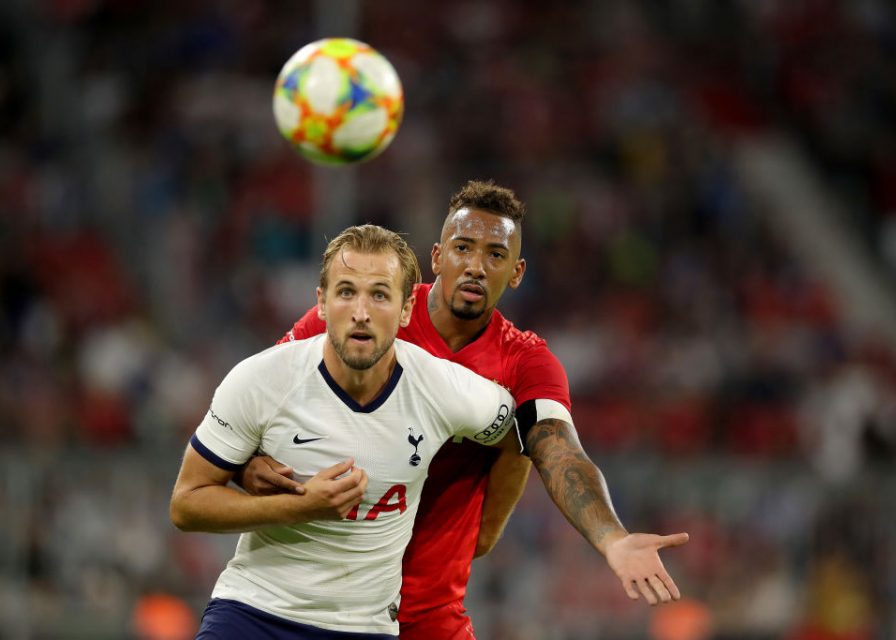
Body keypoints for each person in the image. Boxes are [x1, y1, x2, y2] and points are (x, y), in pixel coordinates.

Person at [241, 180, 690, 639]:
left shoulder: (524, 364)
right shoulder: (361, 312)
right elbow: (260, 400)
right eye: (463, 248)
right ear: (437, 257)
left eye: (495, 255)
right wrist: (247, 465)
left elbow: (559, 450)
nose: (476, 266)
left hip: (426, 613)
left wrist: (611, 539)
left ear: (516, 273)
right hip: (313, 602)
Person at [170, 224, 522, 638]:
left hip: (364, 628)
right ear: (321, 303)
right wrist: (303, 506)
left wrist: (485, 534)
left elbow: (519, 436)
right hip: (253, 612)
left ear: (407, 308)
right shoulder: (261, 379)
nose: (361, 312)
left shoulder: (443, 389)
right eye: (346, 292)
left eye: (379, 294)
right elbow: (186, 504)